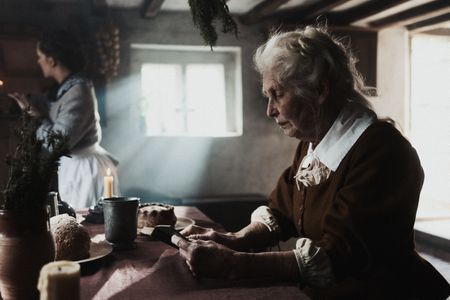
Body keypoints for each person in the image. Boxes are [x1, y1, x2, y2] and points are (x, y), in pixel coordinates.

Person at [172, 25, 450, 299]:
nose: (270, 110)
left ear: (319, 90)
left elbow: (340, 254)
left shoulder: (381, 151)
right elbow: (282, 211)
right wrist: (235, 239)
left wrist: (234, 263)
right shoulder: (313, 142)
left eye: (277, 94)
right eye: (268, 96)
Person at [8, 30, 119, 209]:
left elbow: (58, 143)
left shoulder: (78, 90)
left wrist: (36, 117)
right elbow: (51, 104)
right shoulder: (67, 88)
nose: (38, 61)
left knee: (89, 229)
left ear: (51, 60)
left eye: (40, 56)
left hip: (85, 170)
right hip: (76, 166)